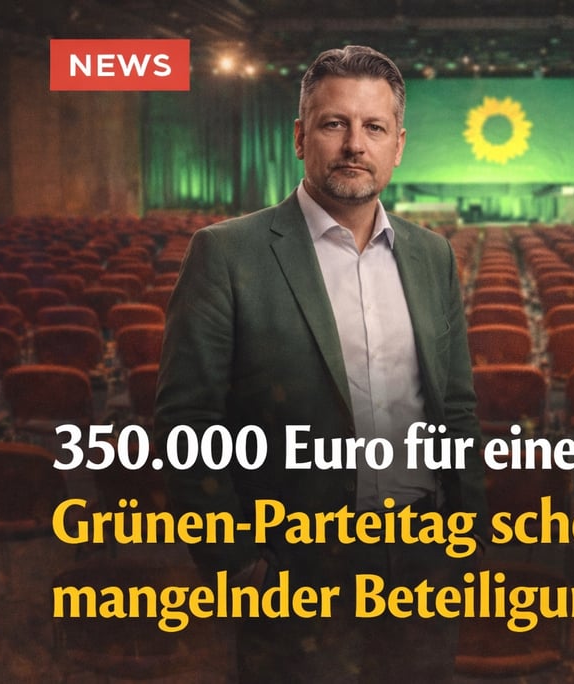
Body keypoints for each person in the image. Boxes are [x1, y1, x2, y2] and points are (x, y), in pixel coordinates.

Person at [155, 45, 486, 683]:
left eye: (374, 127)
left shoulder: (432, 255)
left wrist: (464, 539)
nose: (355, 144)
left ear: (398, 145)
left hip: (421, 563)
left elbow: (456, 407)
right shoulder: (226, 253)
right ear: (300, 137)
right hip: (291, 568)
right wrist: (236, 562)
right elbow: (187, 422)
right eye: (335, 123)